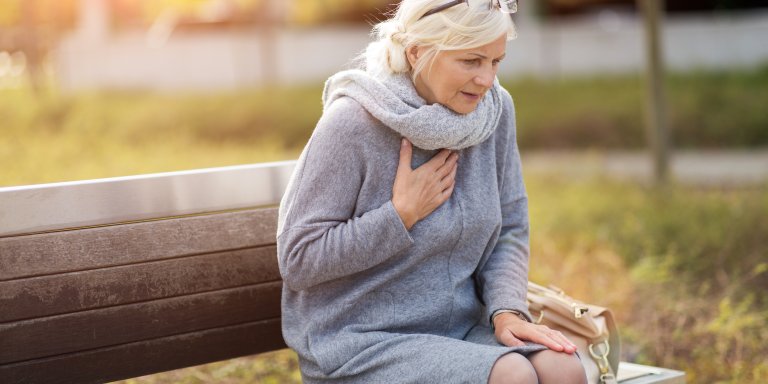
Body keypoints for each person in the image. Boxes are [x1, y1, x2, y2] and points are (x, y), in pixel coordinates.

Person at [276, 0, 588, 383]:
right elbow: (298, 258)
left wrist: (507, 309)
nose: (487, 80)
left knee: (563, 368)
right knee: (513, 376)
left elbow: (510, 228)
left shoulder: (494, 113)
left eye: (496, 62)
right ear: (417, 52)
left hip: (458, 329)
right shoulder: (352, 122)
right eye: (471, 61)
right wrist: (399, 215)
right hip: (362, 341)